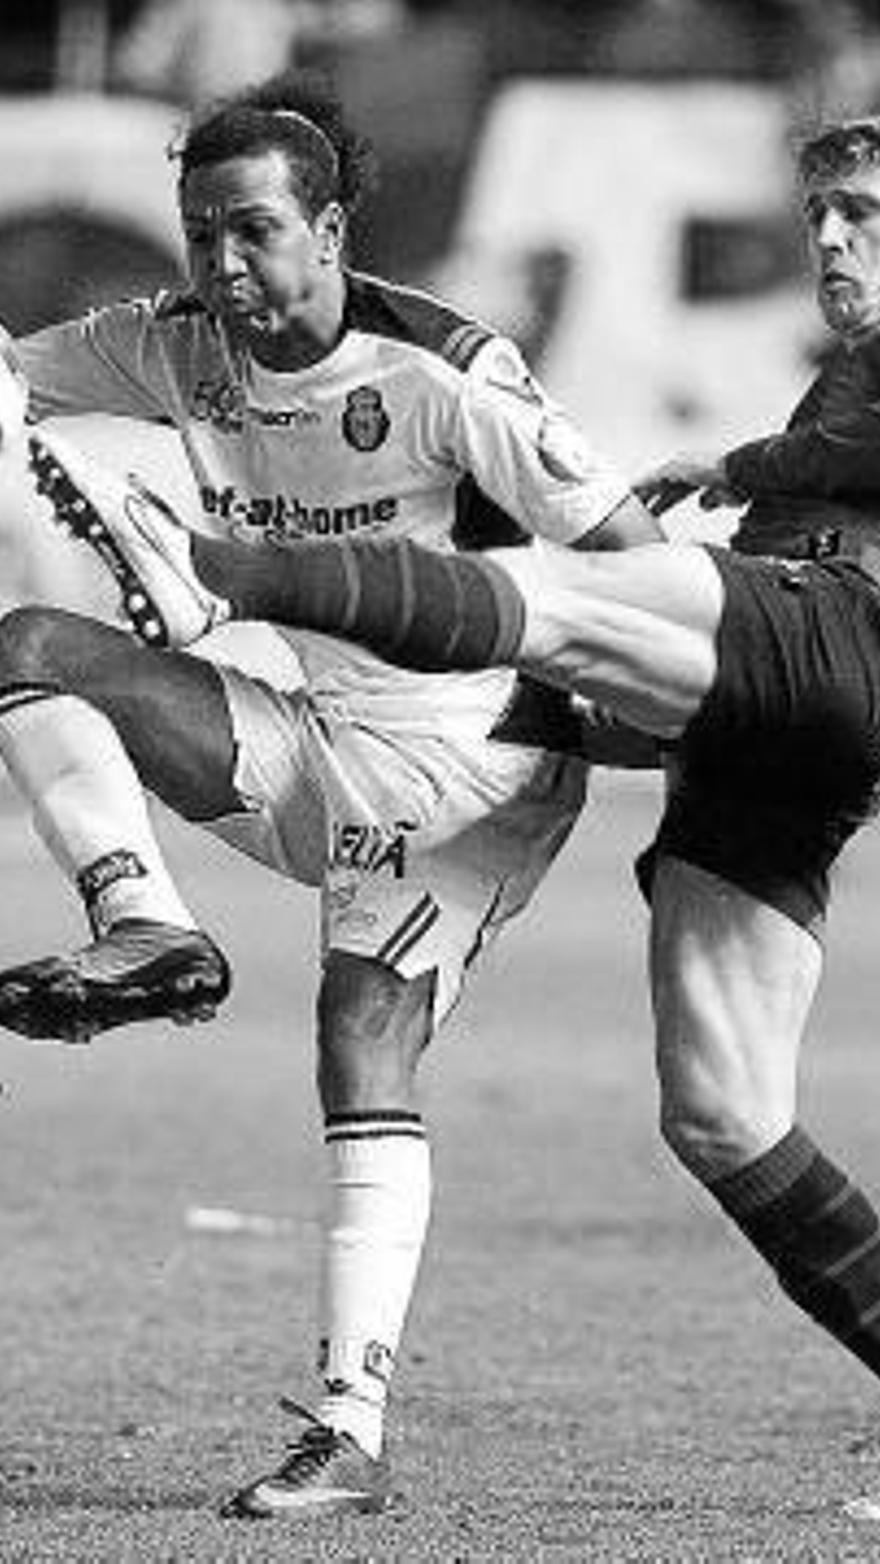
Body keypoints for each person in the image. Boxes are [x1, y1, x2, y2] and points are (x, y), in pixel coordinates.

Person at [0, 71, 659, 1518]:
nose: (223, 266)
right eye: (200, 234)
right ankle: (148, 925)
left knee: (358, 1032)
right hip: (309, 736)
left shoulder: (448, 374)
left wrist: (676, 712)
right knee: (30, 648)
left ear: (333, 229)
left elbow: (637, 564)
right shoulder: (173, 347)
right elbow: (10, 371)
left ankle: (347, 1430)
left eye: (254, 232)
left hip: (472, 763)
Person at [185, 114, 880, 1431]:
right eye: (821, 216)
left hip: (841, 635)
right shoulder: (846, 379)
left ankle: (229, 576)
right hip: (772, 731)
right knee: (724, 1113)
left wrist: (739, 465)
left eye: (863, 214)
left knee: (543, 593)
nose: (833, 240)